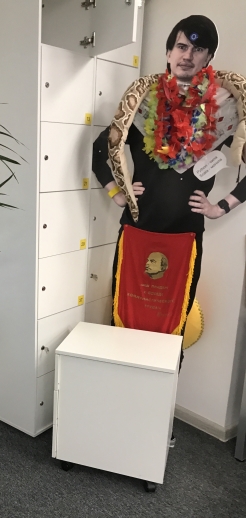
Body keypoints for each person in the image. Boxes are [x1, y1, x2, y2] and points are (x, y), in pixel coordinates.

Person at [93, 14, 246, 339]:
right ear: (169, 52)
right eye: (181, 46)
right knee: (122, 325)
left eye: (198, 49)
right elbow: (99, 151)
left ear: (208, 58)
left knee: (172, 332)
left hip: (185, 238)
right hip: (136, 232)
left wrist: (221, 207)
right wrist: (117, 193)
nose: (187, 55)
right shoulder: (141, 108)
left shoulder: (221, 116)